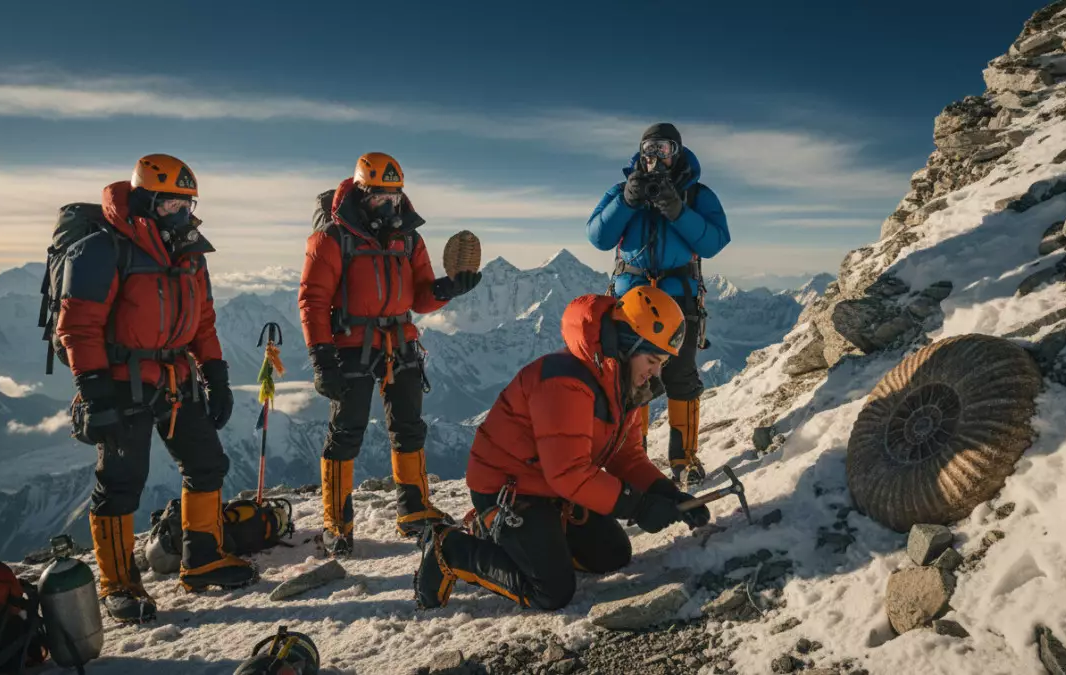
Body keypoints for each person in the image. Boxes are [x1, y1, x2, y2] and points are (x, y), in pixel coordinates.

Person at [413, 286, 711, 610]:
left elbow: (627, 457)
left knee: (612, 555)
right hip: (510, 489)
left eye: (662, 363)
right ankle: (450, 547)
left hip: (554, 490)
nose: (656, 372)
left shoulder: (621, 385)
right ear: (626, 345)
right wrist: (638, 507)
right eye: (652, 360)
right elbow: (568, 473)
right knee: (551, 590)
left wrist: (668, 494)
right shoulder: (565, 381)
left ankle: (532, 540)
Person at [57, 154, 258, 624]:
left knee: (207, 464)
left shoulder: (188, 252)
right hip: (120, 381)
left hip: (178, 377)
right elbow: (78, 326)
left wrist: (216, 374)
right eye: (170, 204)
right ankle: (119, 585)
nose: (181, 213)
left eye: (187, 204)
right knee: (121, 482)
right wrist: (93, 390)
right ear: (146, 201)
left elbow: (203, 320)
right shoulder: (104, 248)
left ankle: (202, 560)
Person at [299, 152, 481, 557]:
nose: (389, 205)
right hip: (349, 346)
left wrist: (446, 290)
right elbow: (312, 300)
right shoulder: (332, 237)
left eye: (395, 197)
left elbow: (419, 295)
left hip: (400, 341)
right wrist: (321, 358)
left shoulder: (409, 238)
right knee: (346, 434)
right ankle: (336, 523)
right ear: (361, 194)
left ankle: (414, 511)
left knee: (409, 427)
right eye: (381, 197)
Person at [587, 123, 731, 488]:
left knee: (679, 375)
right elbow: (599, 236)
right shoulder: (623, 191)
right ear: (640, 151)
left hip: (678, 297)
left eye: (664, 149)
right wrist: (626, 201)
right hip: (631, 303)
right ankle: (634, 459)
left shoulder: (697, 195)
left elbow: (715, 242)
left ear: (677, 152)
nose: (656, 156)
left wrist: (678, 209)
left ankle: (684, 460)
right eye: (650, 148)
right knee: (630, 380)